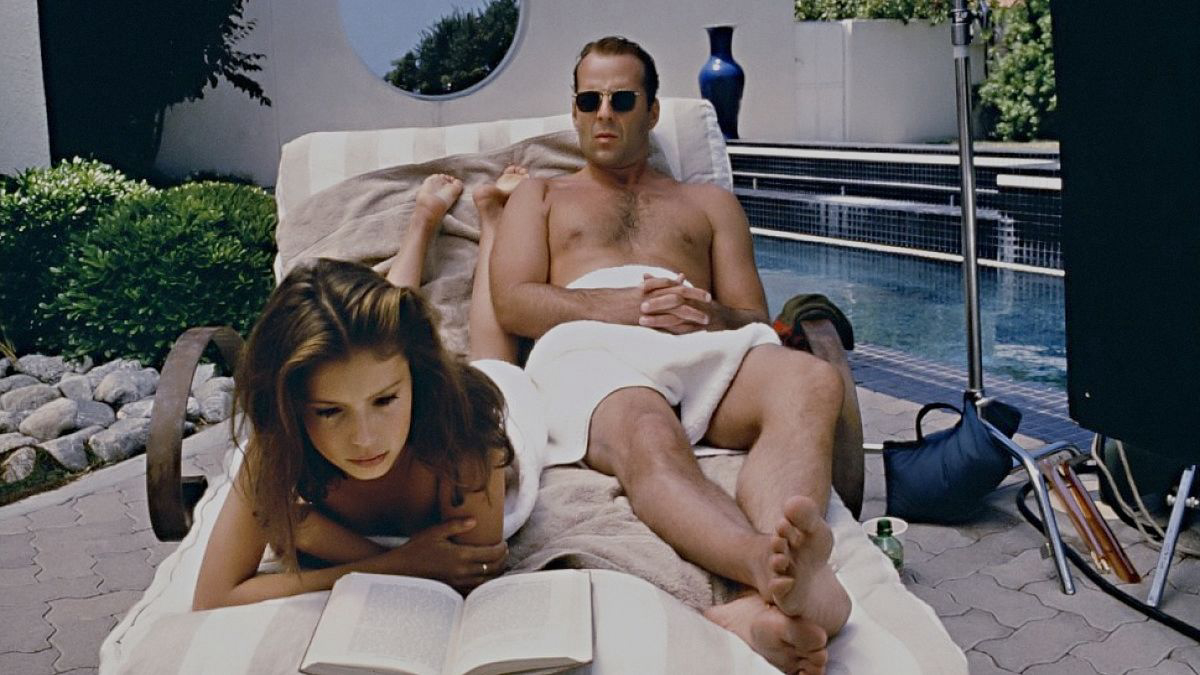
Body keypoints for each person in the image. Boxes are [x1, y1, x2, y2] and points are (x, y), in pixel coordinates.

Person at [488, 36, 851, 673]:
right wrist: (622, 307)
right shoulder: (541, 197)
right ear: (574, 112)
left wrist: (707, 314)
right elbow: (513, 300)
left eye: (622, 99)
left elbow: (750, 317)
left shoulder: (708, 204)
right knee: (647, 429)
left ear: (652, 111)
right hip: (587, 347)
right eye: (590, 101)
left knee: (811, 380)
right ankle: (761, 568)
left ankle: (778, 578)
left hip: (698, 344)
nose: (604, 113)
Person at [192, 167, 530, 610]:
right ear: (292, 405)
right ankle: (422, 222)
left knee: (490, 355)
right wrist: (396, 564)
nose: (365, 439)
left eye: (385, 402)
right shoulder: (277, 440)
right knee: (371, 343)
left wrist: (313, 532)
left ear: (415, 380)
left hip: (464, 399)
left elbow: (469, 573)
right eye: (329, 411)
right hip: (399, 375)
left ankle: (492, 219)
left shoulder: (467, 433)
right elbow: (215, 595)